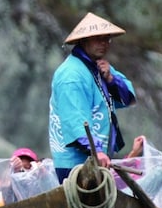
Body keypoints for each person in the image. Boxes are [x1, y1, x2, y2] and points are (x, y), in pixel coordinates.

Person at [48, 12, 136, 182]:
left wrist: (111, 80)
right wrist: (96, 150)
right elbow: (75, 119)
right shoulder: (71, 74)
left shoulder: (97, 67)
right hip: (75, 163)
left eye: (107, 39)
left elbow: (129, 97)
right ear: (84, 40)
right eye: (98, 39)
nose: (103, 44)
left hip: (96, 159)